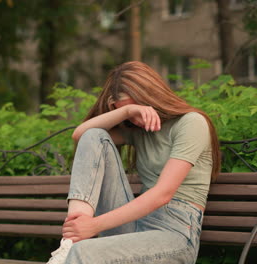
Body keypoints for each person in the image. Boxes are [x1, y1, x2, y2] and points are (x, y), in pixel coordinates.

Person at [47, 61, 221, 264]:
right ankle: (69, 241)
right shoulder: (138, 130)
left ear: (150, 95)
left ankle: (72, 245)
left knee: (82, 253)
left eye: (135, 106)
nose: (137, 120)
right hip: (135, 225)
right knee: (94, 135)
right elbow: (81, 135)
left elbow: (162, 195)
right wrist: (126, 112)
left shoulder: (191, 123)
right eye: (130, 111)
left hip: (174, 233)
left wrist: (93, 225)